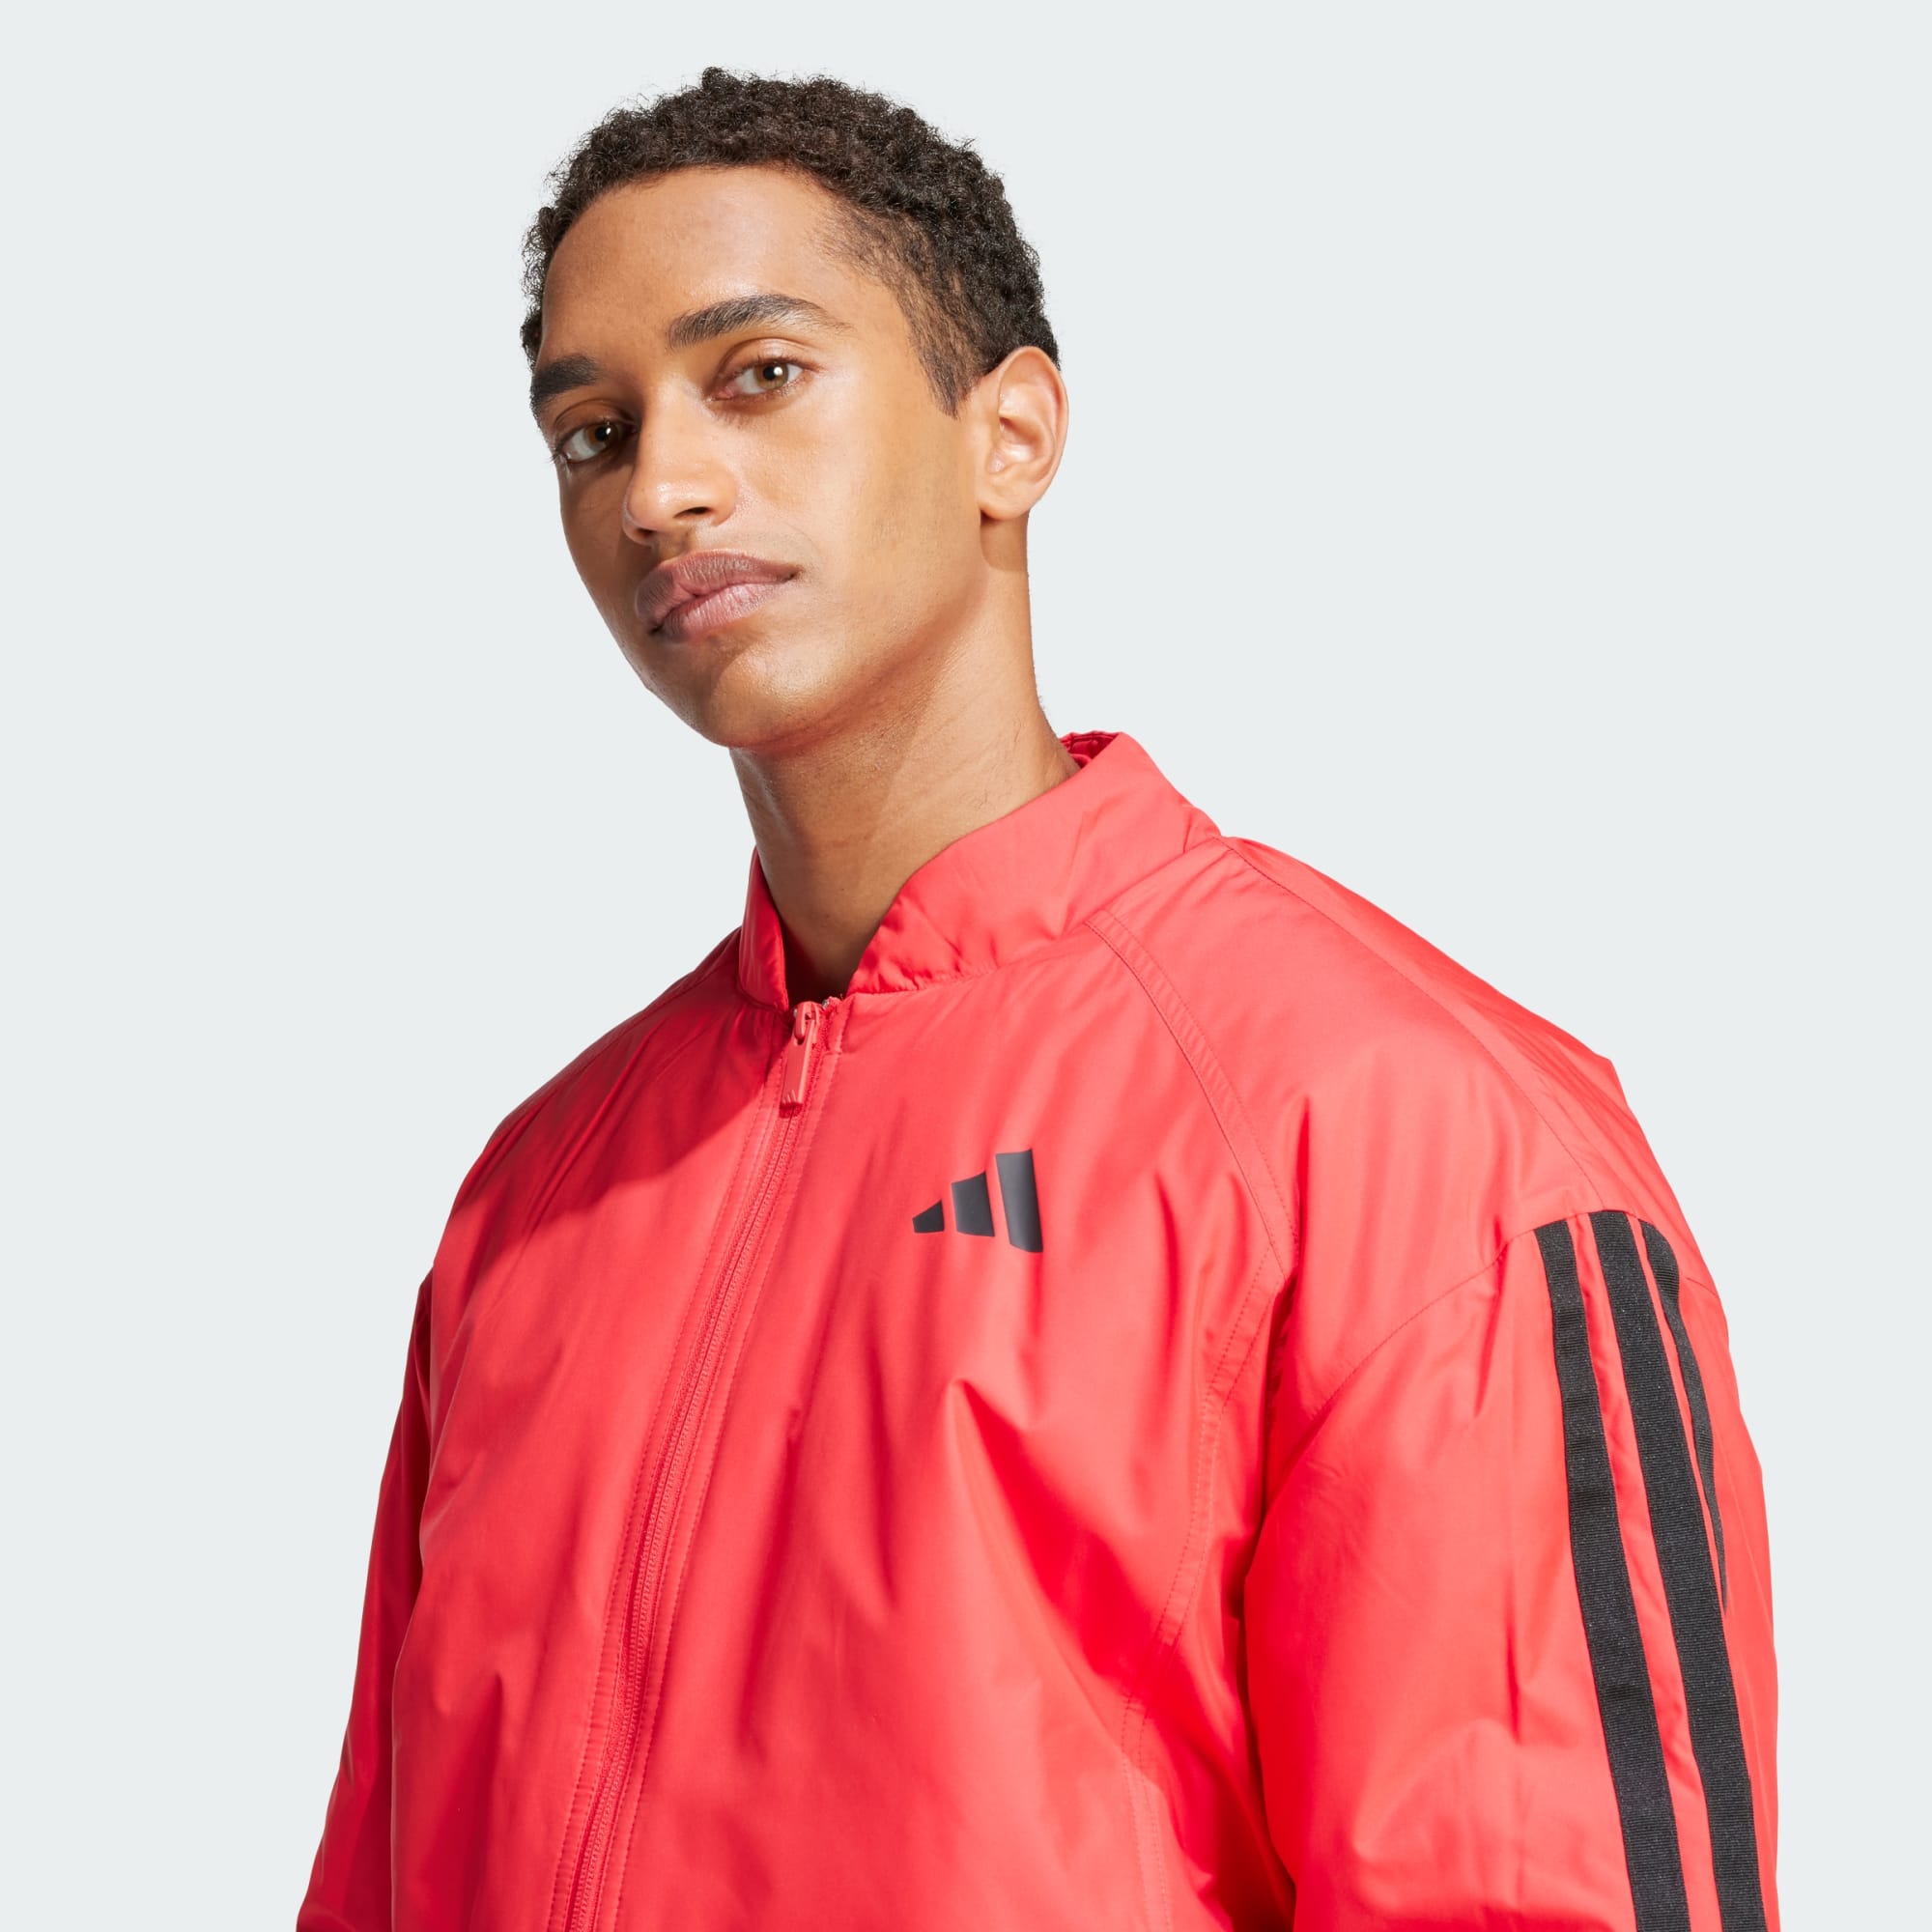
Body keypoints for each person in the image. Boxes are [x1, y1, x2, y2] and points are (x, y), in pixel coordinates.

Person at [298, 67, 1778, 1932]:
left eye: (759, 374)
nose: (662, 487)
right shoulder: (538, 1198)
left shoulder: (1402, 1133)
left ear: (1011, 434)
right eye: (594, 431)